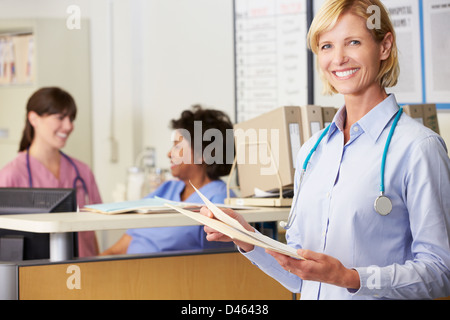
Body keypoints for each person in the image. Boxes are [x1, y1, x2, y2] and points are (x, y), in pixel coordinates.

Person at [202, 0, 450, 300]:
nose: (339, 58)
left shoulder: (419, 148)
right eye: (327, 46)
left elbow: (441, 272)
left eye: (353, 42)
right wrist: (246, 237)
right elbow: (299, 275)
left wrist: (348, 277)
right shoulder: (313, 150)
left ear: (384, 47)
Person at [101, 105, 235, 255]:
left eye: (177, 147)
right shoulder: (167, 189)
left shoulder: (220, 200)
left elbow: (220, 264)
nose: (169, 154)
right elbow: (125, 242)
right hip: (124, 271)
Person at [0, 87, 102, 257]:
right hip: (38, 273)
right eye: (60, 118)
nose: (69, 126)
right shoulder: (11, 175)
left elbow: (93, 232)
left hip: (85, 270)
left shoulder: (82, 171)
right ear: (34, 118)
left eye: (71, 118)